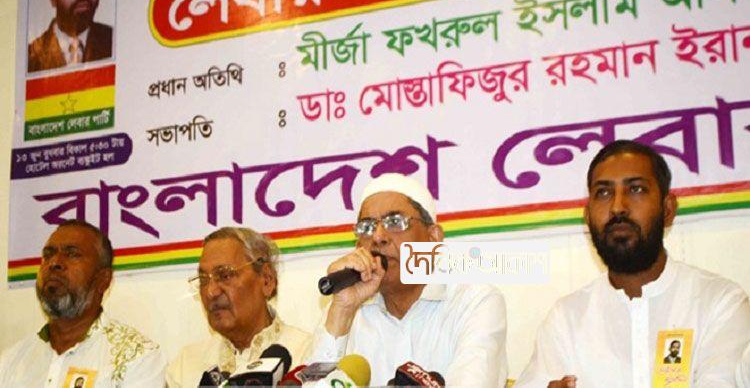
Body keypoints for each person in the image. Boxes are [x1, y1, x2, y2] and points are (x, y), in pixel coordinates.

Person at [515, 140, 750, 388]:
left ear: (667, 209)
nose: (618, 207)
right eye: (603, 192)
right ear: (587, 216)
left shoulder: (719, 303)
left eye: (636, 189)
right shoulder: (565, 320)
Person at [308, 174, 508, 387]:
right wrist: (342, 311)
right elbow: (308, 382)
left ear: (433, 238)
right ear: (359, 248)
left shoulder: (475, 301)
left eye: (395, 222)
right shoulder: (344, 309)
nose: (378, 237)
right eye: (366, 227)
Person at [0, 220, 166, 387]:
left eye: (72, 254)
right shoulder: (11, 361)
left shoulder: (137, 357)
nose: (54, 263)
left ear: (103, 280)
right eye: (48, 255)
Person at [167, 227, 310, 387]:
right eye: (203, 279)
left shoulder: (307, 356)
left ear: (266, 279)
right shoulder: (185, 366)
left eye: (225, 275)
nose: (211, 291)